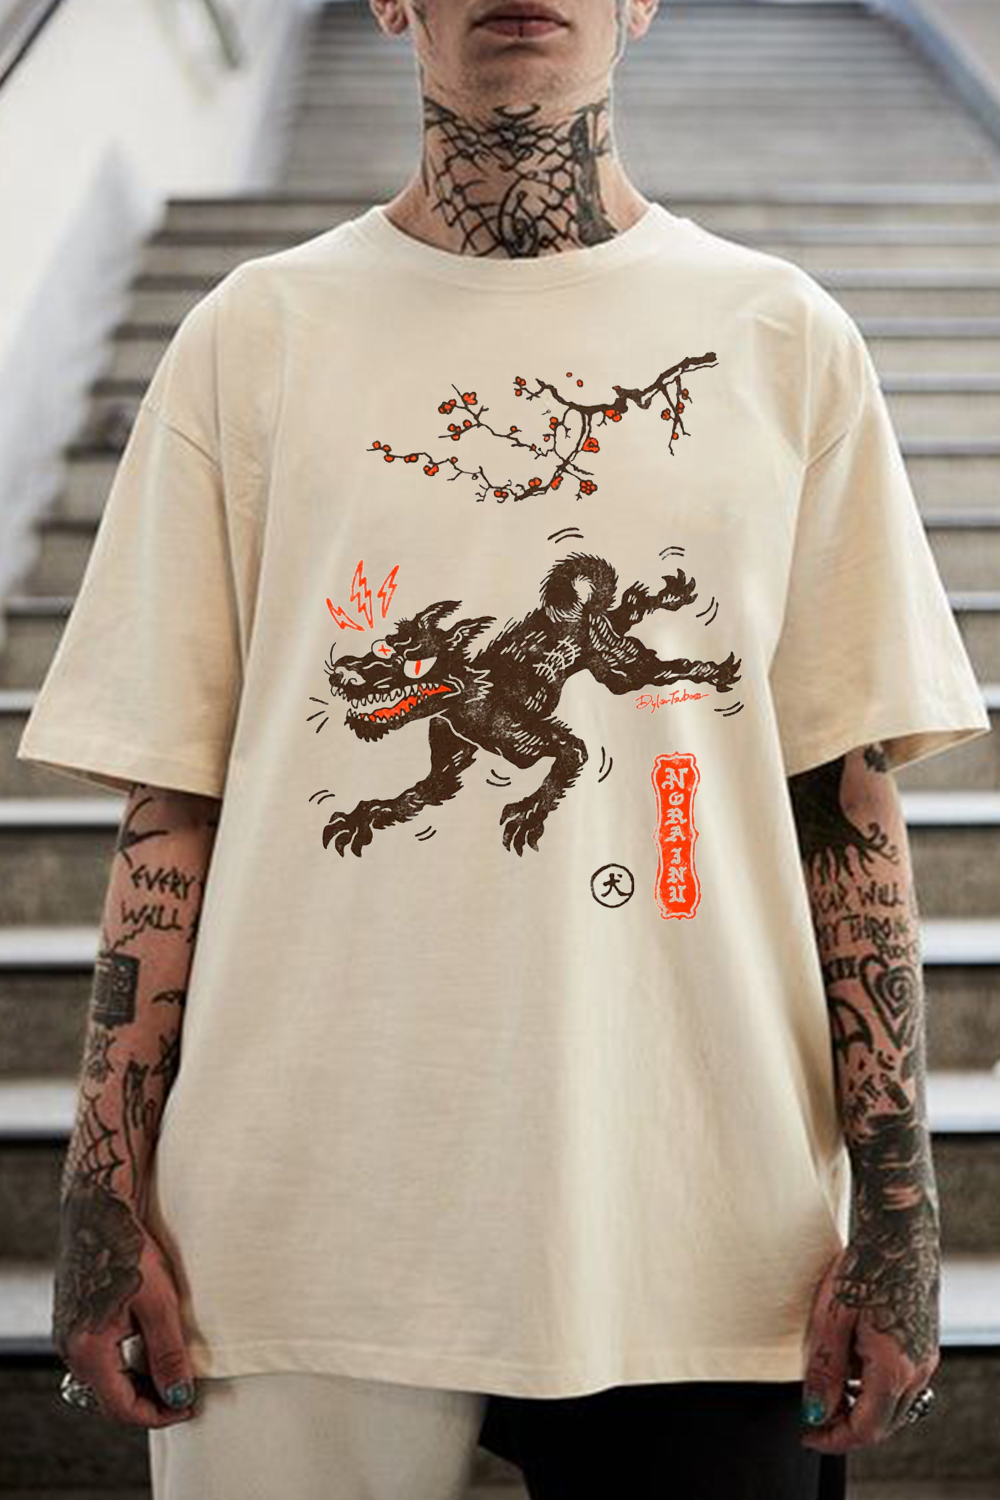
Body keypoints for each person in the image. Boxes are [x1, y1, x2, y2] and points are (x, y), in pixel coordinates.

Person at [17, 0, 989, 1496]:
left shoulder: (784, 339)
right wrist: (102, 1186)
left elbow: (842, 805)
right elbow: (174, 805)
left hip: (703, 1216)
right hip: (293, 1220)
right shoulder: (253, 336)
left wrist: (903, 1211)